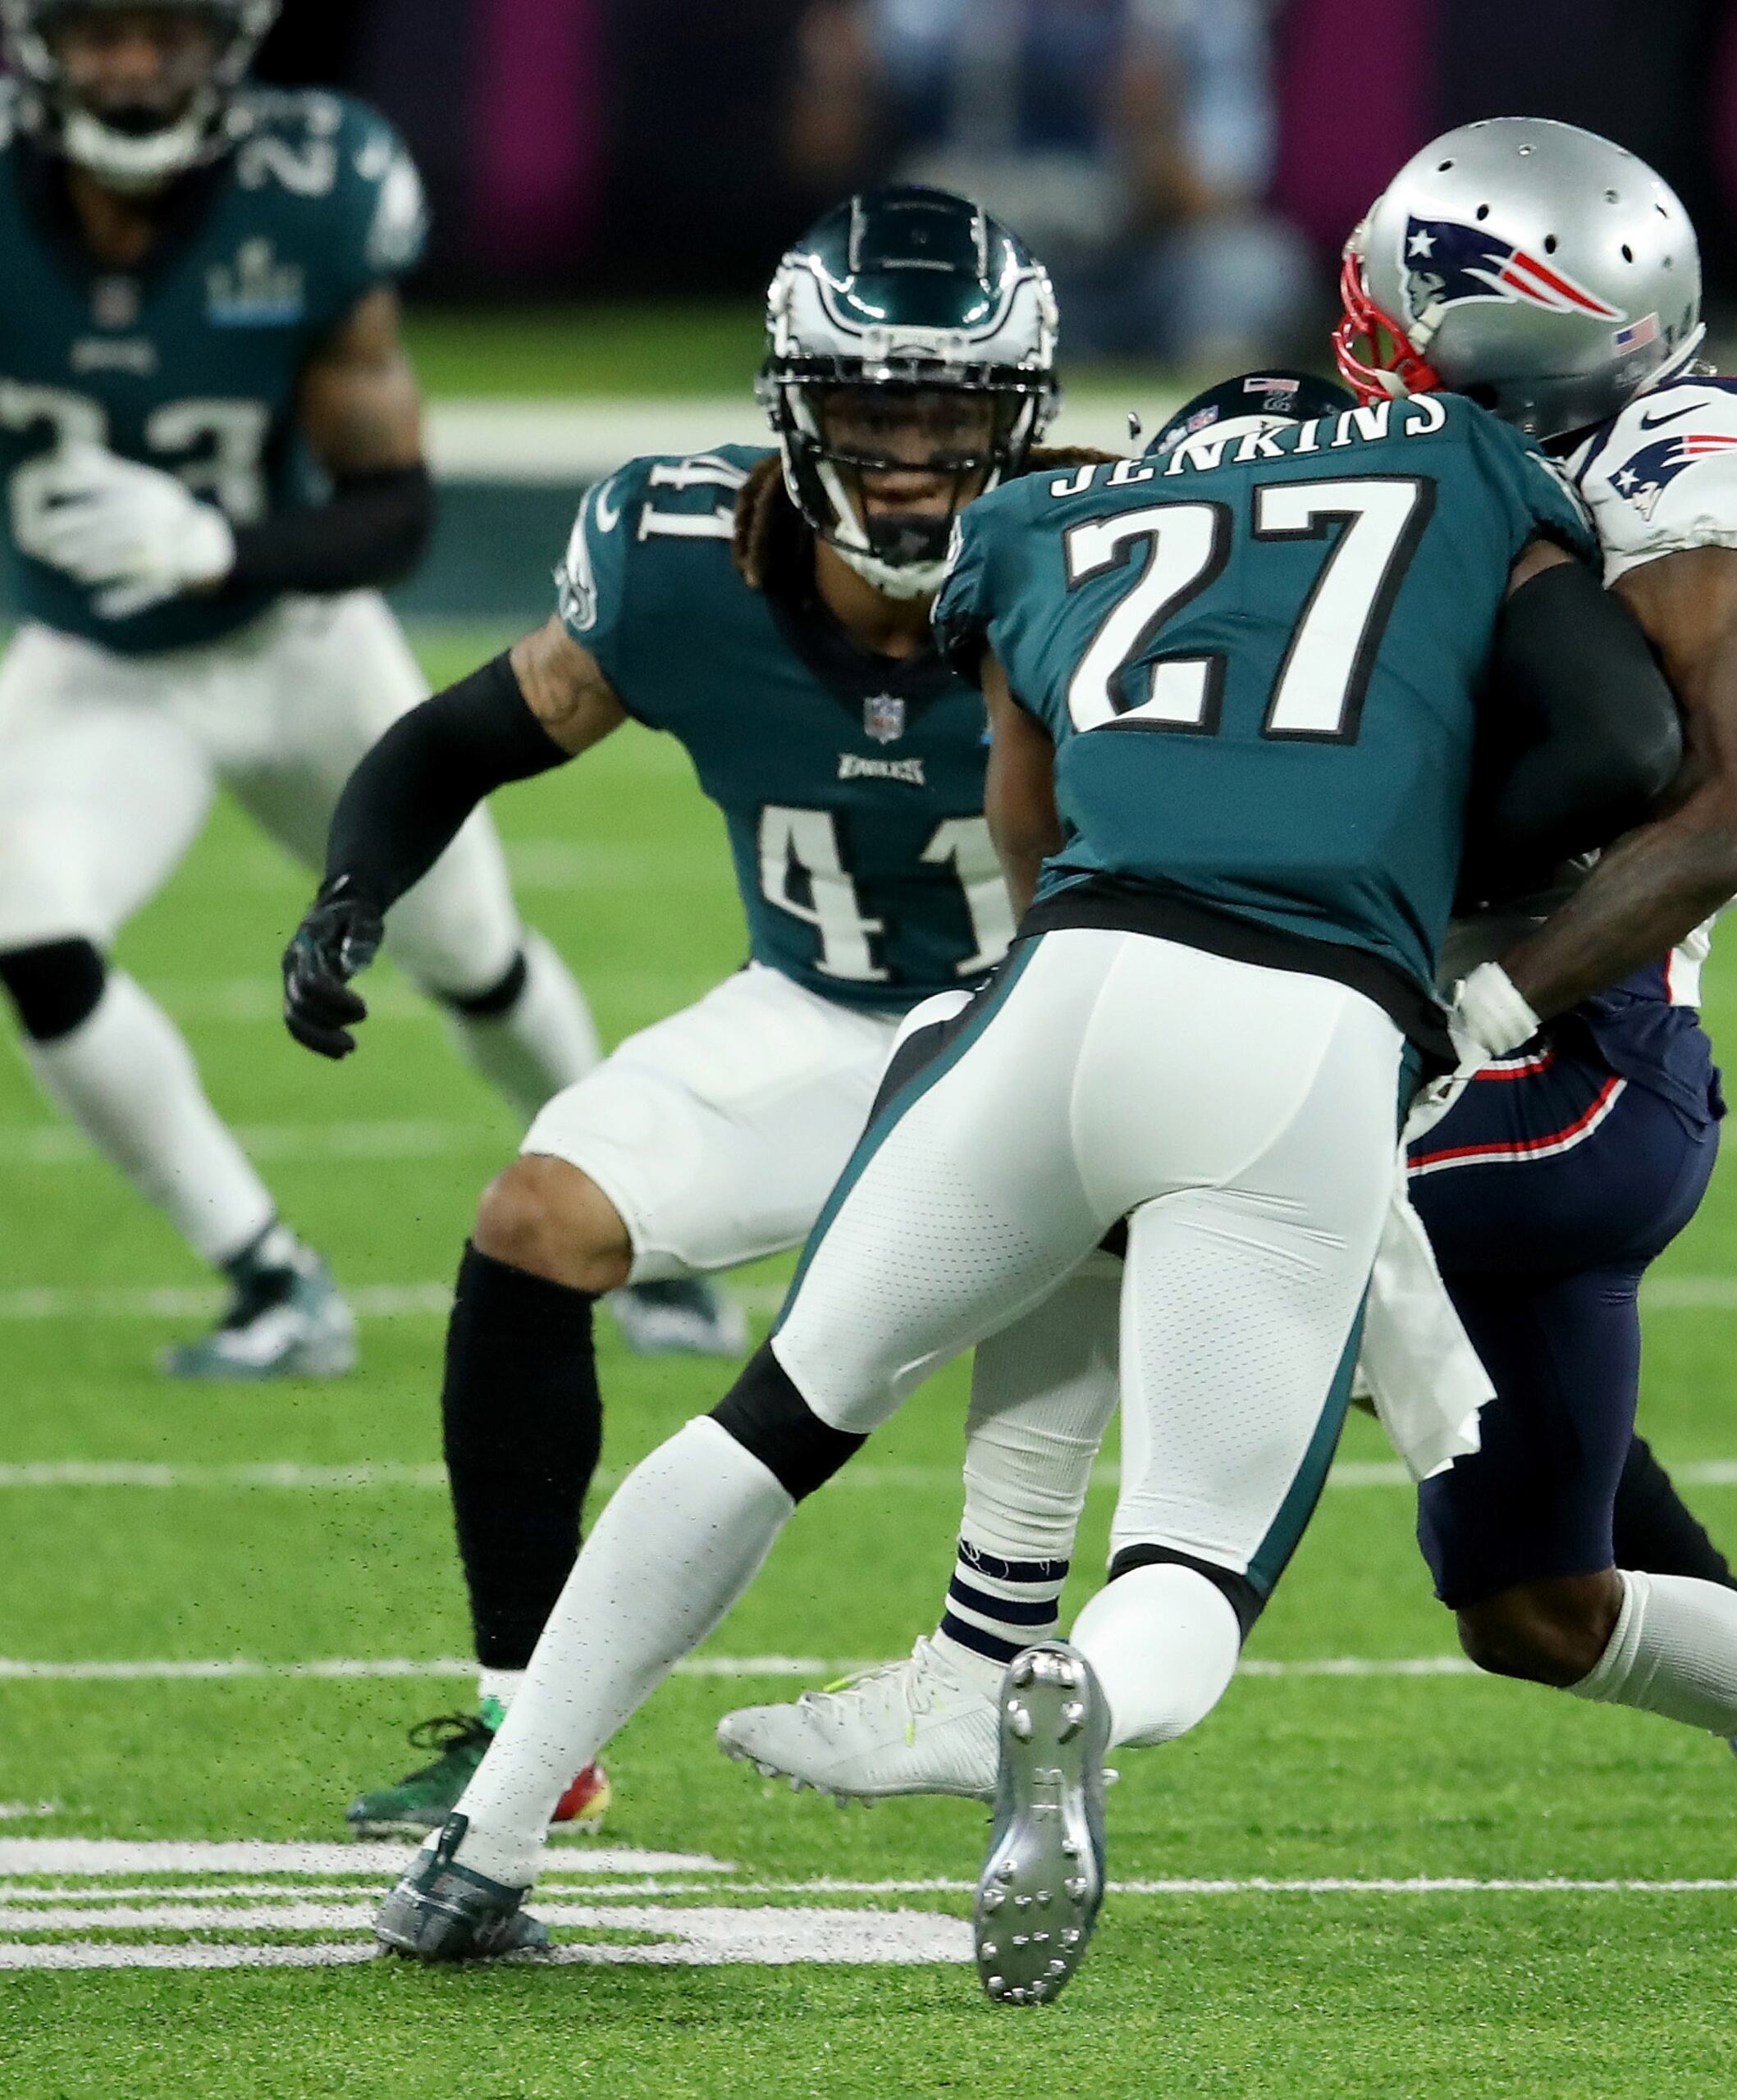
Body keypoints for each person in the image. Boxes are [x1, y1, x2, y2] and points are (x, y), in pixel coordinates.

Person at [718, 121, 1737, 1923]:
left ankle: (986, 1654)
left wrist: (1463, 1006)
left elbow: (1717, 813)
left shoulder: (1699, 466)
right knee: (1539, 1605)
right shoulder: (1394, 435)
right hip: (1402, 1003)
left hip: (1567, 1042)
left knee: (1140, 1193)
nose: (1415, 362)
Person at [367, 364, 1698, 2004]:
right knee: (1193, 1558)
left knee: (770, 1421)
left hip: (1060, 981)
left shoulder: (1044, 521)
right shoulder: (1463, 466)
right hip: (1304, 1016)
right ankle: (1072, 1697)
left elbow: (1028, 821)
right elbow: (1625, 741)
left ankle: (484, 1843)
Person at [283, 185, 1114, 1844]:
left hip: (1068, 1039)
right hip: (820, 1016)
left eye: (948, 416)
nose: (909, 462)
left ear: (1020, 415)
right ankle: (529, 1725)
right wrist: (353, 887)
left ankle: (1665, 1622)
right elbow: (461, 738)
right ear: (793, 411)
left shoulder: (1118, 559)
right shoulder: (682, 565)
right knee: (536, 1221)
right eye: (868, 413)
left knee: (1437, 1355)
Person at [0, 0, 606, 1378]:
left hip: (303, 648)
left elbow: (396, 512)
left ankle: (639, 1228)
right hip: (99, 663)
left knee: (473, 957)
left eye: (167, 33)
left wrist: (228, 546)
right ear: (35, 44)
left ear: (230, 43)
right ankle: (270, 1277)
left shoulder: (310, 192)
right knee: (22, 919)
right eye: (100, 32)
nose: (134, 68)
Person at [786, 0, 1307, 368]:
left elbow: (1223, 197)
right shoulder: (934, 14)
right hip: (983, 261)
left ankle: (1212, 404)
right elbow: (825, 156)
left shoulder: (1199, 16)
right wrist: (838, 75)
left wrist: (1154, 136)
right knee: (885, 246)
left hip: (1135, 258)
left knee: (1252, 267)